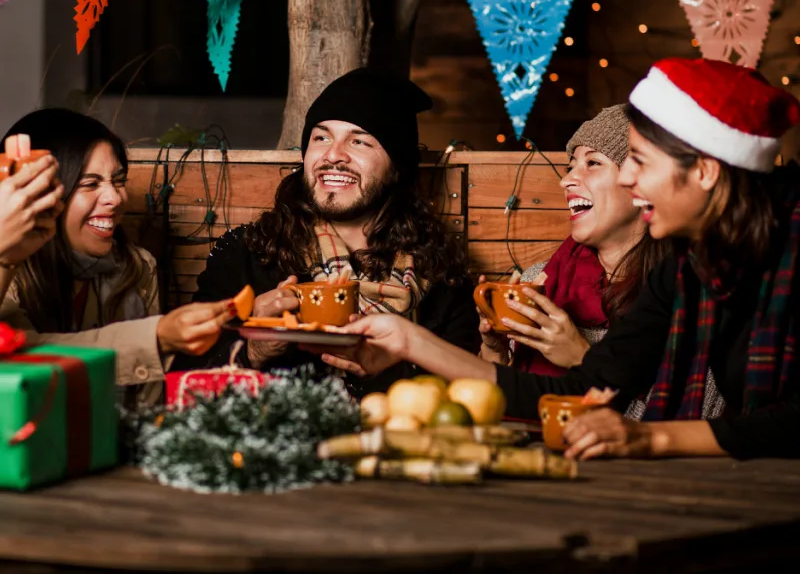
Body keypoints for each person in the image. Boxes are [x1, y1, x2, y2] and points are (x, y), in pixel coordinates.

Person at [316, 59, 800, 461]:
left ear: (707, 173)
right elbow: (582, 389)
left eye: (640, 161)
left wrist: (653, 437)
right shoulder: (692, 265)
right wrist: (407, 340)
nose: (630, 180)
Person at [179, 68, 480, 393]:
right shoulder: (247, 253)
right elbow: (186, 375)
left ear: (397, 169)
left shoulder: (439, 273)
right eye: (321, 137)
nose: (333, 155)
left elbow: (463, 396)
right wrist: (254, 350)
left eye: (360, 141)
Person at [0, 109, 236, 407]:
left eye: (118, 180)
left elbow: (148, 401)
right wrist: (157, 336)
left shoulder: (137, 268)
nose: (115, 198)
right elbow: (21, 357)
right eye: (90, 184)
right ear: (36, 193)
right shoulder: (10, 269)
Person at [480, 106, 671, 390]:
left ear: (640, 182)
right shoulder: (539, 281)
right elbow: (492, 405)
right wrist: (496, 349)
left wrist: (581, 357)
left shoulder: (680, 295)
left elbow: (694, 420)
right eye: (571, 166)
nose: (566, 180)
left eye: (593, 163)